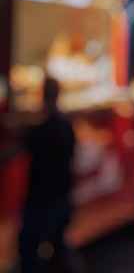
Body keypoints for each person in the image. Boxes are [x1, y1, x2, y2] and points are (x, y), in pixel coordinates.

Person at [0, 78, 76, 273]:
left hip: (41, 200)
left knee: (29, 253)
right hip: (62, 196)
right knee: (59, 250)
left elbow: (16, 151)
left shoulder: (43, 129)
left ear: (43, 96)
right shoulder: (65, 126)